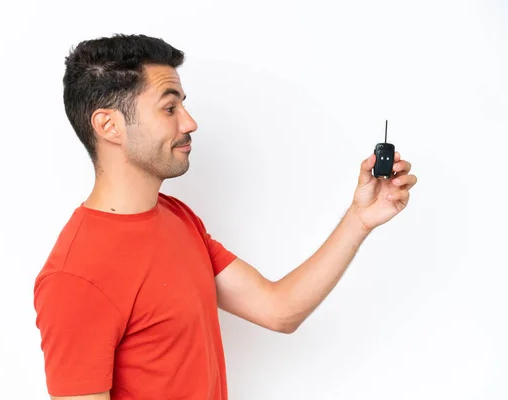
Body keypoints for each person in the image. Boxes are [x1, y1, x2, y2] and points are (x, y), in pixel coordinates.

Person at [33, 34, 417, 400]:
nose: (189, 122)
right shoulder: (76, 277)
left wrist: (359, 218)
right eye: (169, 108)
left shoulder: (176, 218)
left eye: (183, 105)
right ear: (108, 125)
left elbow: (279, 310)